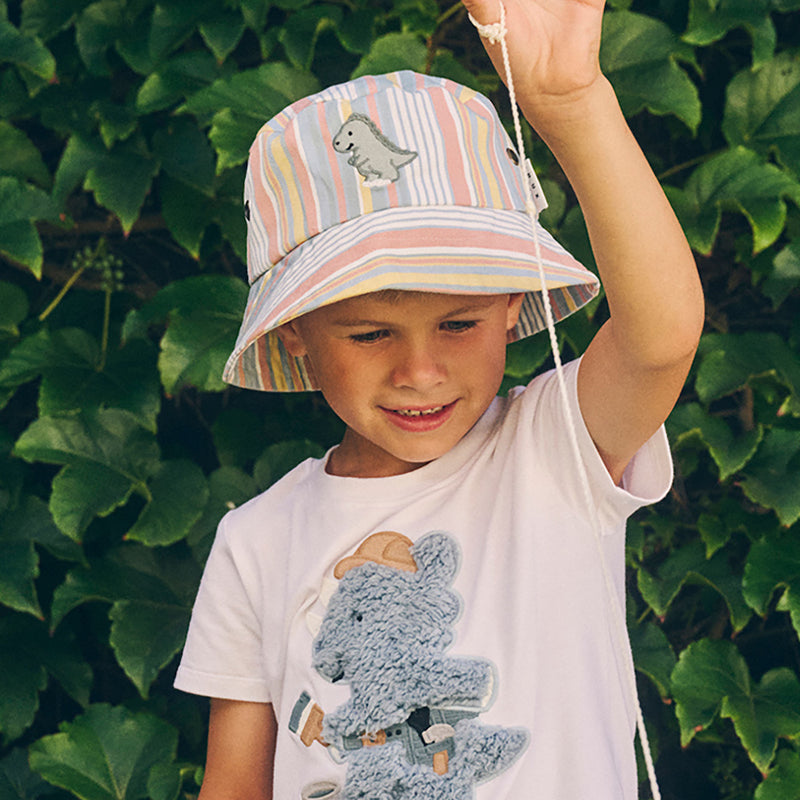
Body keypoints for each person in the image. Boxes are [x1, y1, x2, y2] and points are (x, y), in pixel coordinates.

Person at [174, 0, 704, 797]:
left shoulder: (553, 451)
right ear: (295, 334)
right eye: (370, 334)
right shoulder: (256, 542)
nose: (420, 372)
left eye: (458, 323)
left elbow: (660, 338)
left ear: (508, 308)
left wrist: (570, 102)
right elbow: (235, 785)